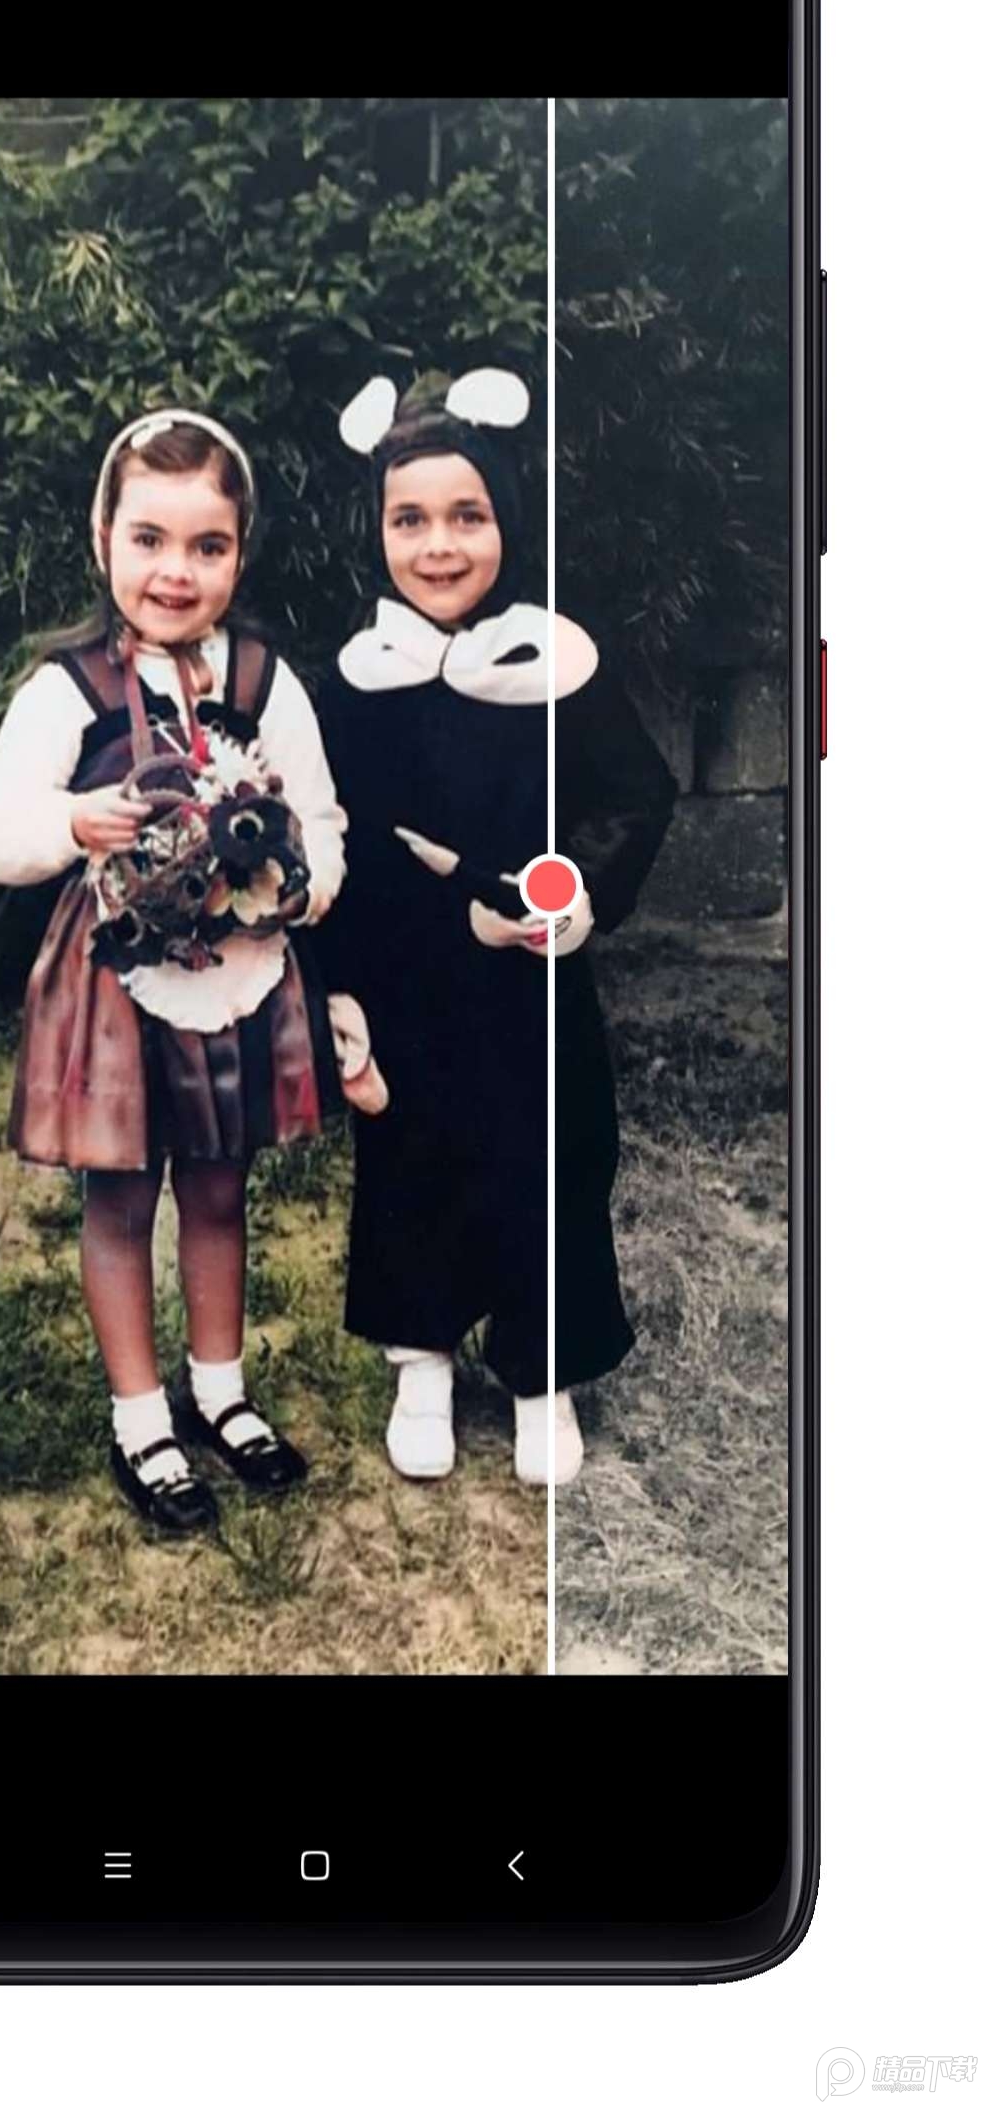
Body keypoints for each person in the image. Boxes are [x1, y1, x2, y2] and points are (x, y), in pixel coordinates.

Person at [0, 410, 346, 1535]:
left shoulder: (265, 681)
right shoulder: (66, 688)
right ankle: (142, 1419)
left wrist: (297, 883)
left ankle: (220, 1393)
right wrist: (72, 821)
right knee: (122, 1197)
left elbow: (323, 820)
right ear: (103, 539)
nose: (175, 571)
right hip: (118, 986)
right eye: (149, 539)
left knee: (221, 1185)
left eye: (206, 545)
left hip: (236, 971)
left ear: (239, 552)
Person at [316, 371, 675, 1488]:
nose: (438, 545)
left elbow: (634, 793)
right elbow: (328, 834)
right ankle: (419, 1359)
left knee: (546, 1164)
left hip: (528, 980)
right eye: (409, 520)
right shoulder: (354, 681)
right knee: (407, 1159)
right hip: (403, 978)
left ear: (506, 520)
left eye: (466, 515)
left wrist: (574, 896)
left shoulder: (554, 661)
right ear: (378, 530)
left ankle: (540, 1372)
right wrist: (338, 979)